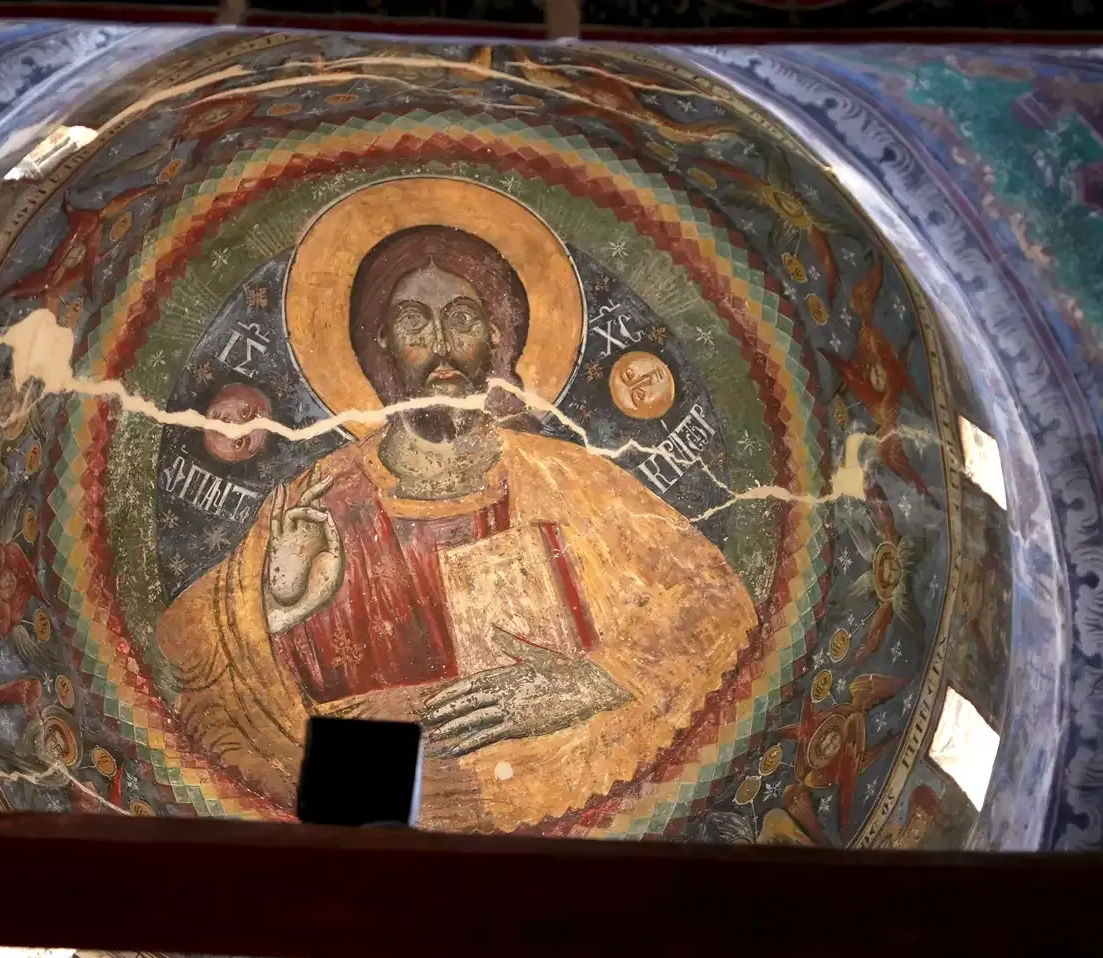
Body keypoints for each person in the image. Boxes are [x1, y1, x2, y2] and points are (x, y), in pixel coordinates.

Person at [155, 225, 757, 832]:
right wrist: (273, 611)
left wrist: (593, 681)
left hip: (553, 813)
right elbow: (188, 658)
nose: (441, 344)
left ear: (497, 335)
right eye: (413, 323)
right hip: (364, 816)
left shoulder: (567, 479)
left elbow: (716, 602)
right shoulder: (316, 499)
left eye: (463, 319)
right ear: (382, 343)